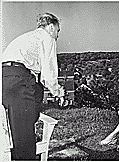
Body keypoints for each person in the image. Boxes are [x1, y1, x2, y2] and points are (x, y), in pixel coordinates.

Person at [2, 12, 64, 160]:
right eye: (58, 30)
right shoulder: (47, 38)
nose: (57, 35)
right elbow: (49, 75)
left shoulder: (28, 37)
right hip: (18, 80)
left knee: (36, 92)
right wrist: (58, 92)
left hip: (4, 77)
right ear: (50, 27)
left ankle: (27, 124)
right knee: (25, 139)